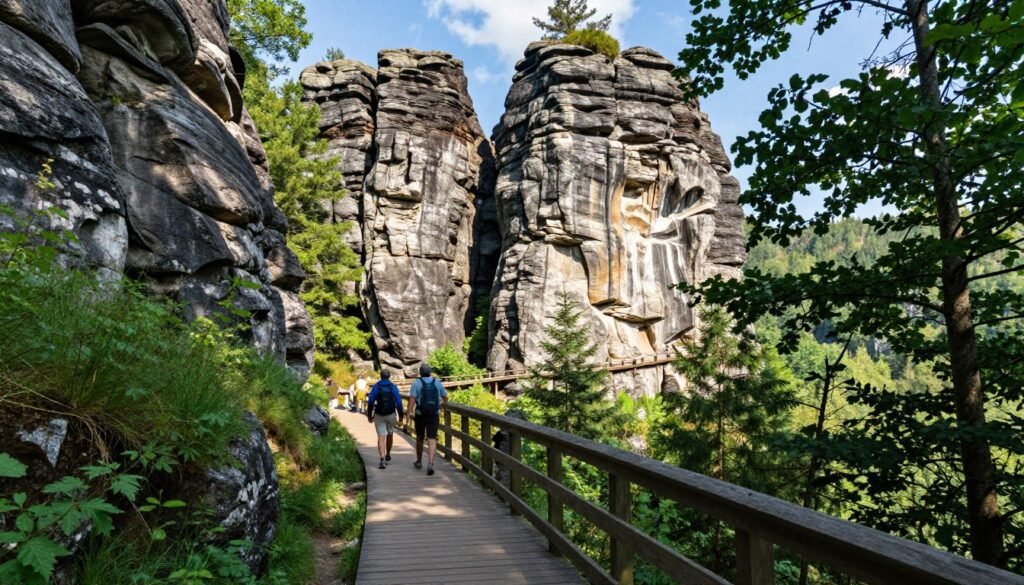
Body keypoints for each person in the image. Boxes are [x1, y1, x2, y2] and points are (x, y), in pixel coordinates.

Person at [408, 363, 448, 476]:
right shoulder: (437, 382)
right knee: (432, 439)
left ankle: (419, 461)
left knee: (420, 437)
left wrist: (410, 412)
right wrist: (444, 408)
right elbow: (445, 396)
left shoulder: (416, 383)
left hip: (420, 414)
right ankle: (430, 463)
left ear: (420, 372)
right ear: (430, 372)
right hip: (434, 414)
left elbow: (412, 399)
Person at [367, 369, 403, 469]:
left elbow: (370, 401)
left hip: (379, 415)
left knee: (381, 437)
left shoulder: (377, 386)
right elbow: (398, 403)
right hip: (391, 414)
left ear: (381, 376)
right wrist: (401, 417)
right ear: (389, 376)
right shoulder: (392, 386)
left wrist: (369, 415)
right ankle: (388, 454)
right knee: (390, 434)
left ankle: (382, 458)